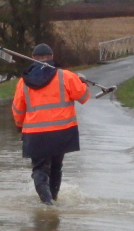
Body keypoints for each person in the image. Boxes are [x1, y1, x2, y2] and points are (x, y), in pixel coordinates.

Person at [12, 43, 90, 205]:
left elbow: (18, 109)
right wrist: (82, 81)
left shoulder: (23, 82)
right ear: (52, 57)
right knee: (56, 167)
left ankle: (47, 203)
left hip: (35, 134)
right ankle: (53, 199)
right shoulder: (65, 76)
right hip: (61, 132)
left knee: (39, 170)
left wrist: (20, 126)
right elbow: (83, 96)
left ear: (34, 59)